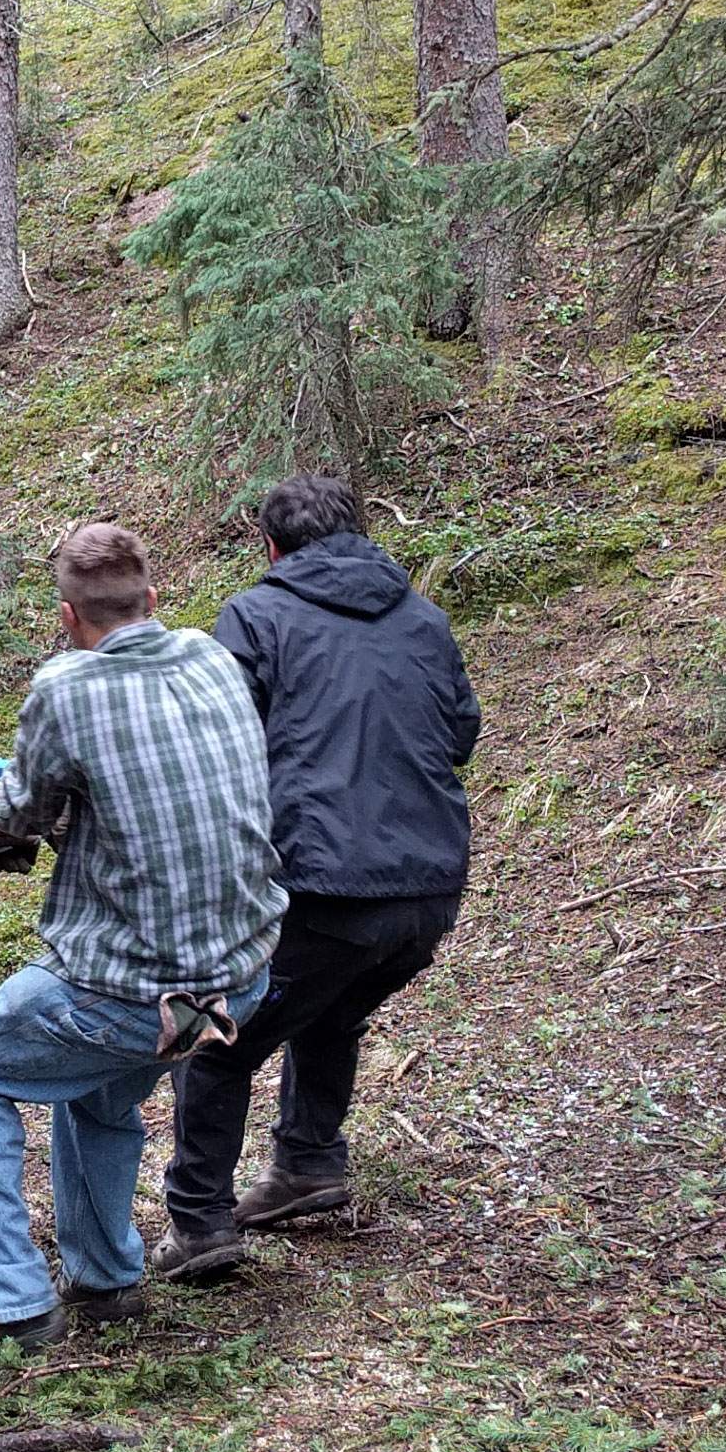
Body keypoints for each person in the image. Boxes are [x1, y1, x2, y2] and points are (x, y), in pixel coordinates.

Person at [0, 523, 285, 1374]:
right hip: (236, 987)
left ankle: (8, 1311)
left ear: (69, 617)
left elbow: (18, 814)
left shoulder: (65, 687)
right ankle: (107, 1279)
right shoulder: (211, 656)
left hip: (133, 995)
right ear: (152, 600)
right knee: (102, 1094)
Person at [153, 475, 483, 1283]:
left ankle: (199, 1225)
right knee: (330, 1011)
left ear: (270, 545)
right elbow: (462, 734)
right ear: (358, 532)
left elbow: (214, 746)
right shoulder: (424, 620)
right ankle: (308, 1165)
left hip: (323, 884)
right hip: (428, 888)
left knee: (218, 1040)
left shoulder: (257, 616)